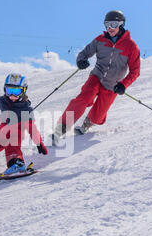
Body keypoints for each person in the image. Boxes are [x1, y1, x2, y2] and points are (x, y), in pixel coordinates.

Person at [52, 10, 141, 142]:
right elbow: (84, 53)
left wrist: (123, 84)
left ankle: (86, 125)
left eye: (113, 24)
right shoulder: (100, 40)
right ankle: (61, 128)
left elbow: (135, 71)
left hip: (113, 85)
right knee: (83, 98)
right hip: (96, 77)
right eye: (107, 24)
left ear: (121, 25)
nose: (109, 28)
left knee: (99, 114)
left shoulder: (131, 46)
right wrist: (81, 61)